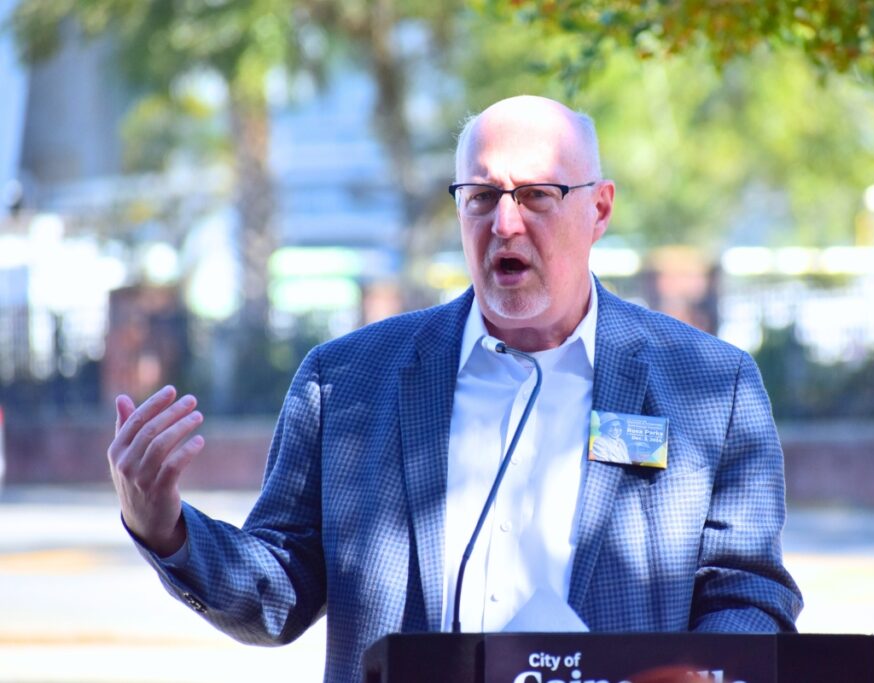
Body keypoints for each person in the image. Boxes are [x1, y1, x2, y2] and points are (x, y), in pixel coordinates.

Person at [107, 95, 802, 683]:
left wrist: (703, 669)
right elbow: (278, 589)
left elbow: (750, 593)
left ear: (599, 209)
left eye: (537, 195)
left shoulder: (711, 386)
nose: (505, 223)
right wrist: (163, 525)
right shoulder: (346, 382)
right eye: (482, 196)